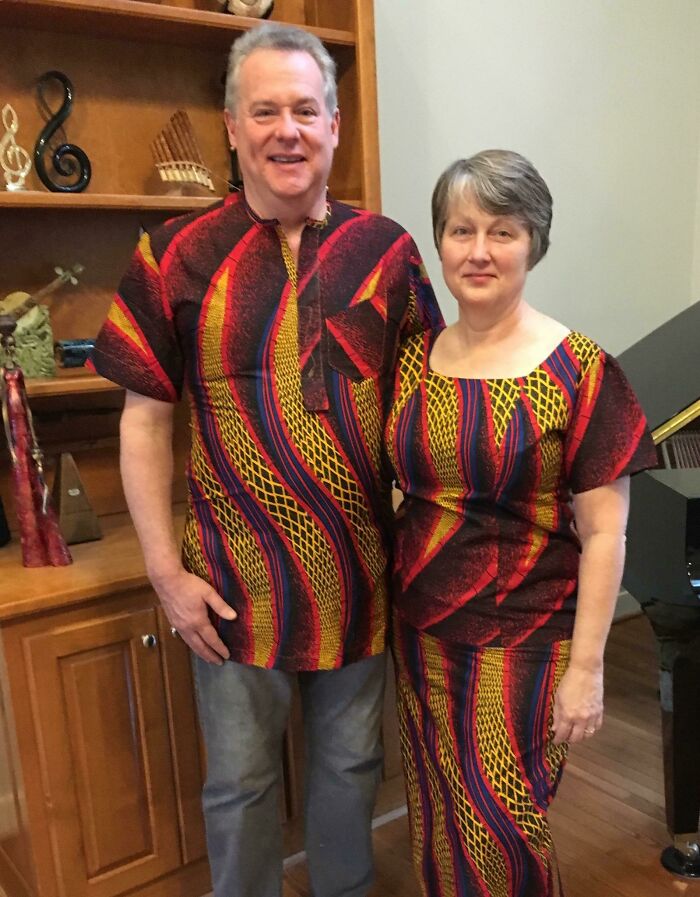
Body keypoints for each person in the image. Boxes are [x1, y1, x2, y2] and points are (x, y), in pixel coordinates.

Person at [90, 22, 443, 897]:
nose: (287, 130)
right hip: (229, 582)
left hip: (363, 573)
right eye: (265, 111)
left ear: (334, 126)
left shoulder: (390, 252)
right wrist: (165, 575)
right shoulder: (170, 254)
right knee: (240, 785)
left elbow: (432, 405)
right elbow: (142, 422)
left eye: (305, 110)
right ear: (232, 127)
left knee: (352, 768)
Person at [385, 149, 658, 897]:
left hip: (524, 642)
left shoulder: (581, 372)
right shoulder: (411, 360)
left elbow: (605, 533)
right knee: (439, 815)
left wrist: (589, 670)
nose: (478, 251)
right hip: (421, 633)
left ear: (534, 241)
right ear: (438, 240)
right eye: (461, 229)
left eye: (501, 231)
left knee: (503, 830)